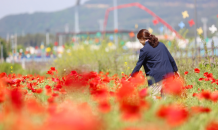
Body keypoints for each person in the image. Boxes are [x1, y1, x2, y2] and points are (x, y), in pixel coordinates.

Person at [129, 29, 180, 98]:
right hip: (169, 75)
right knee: (166, 100)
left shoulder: (144, 50)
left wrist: (131, 76)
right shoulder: (161, 45)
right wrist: (176, 70)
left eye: (139, 40)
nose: (140, 42)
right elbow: (171, 59)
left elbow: (138, 65)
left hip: (156, 78)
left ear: (142, 39)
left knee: (154, 100)